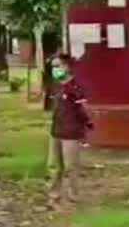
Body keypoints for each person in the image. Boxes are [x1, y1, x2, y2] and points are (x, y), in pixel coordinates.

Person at [48, 53, 93, 205]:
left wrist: (86, 130)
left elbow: (84, 110)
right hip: (56, 130)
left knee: (71, 166)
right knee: (54, 166)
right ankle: (54, 194)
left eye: (57, 66)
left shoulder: (76, 86)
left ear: (66, 66)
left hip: (71, 133)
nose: (55, 69)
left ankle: (74, 195)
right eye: (53, 67)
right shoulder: (56, 86)